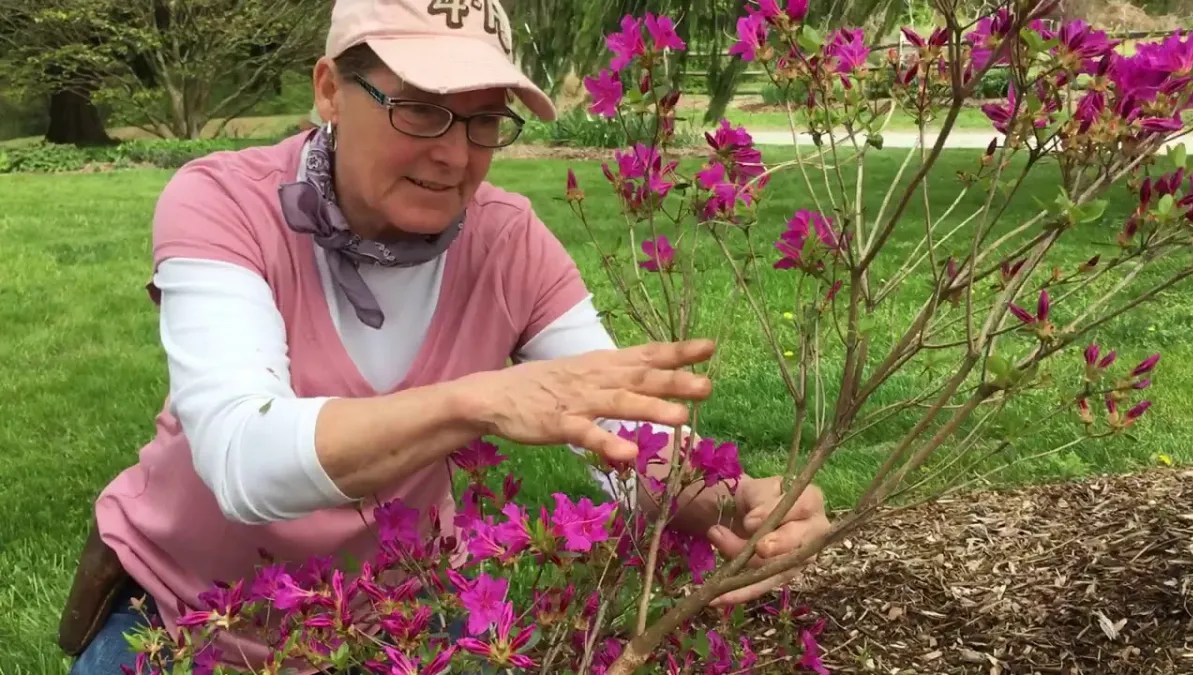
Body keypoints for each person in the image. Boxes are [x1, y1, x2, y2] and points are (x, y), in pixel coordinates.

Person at [57, 0, 831, 671]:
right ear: (330, 90)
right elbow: (240, 454)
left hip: (402, 623)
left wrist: (735, 503)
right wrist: (478, 401)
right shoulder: (224, 204)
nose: (456, 153)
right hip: (180, 618)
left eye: (484, 118)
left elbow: (618, 427)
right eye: (420, 107)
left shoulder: (507, 242)